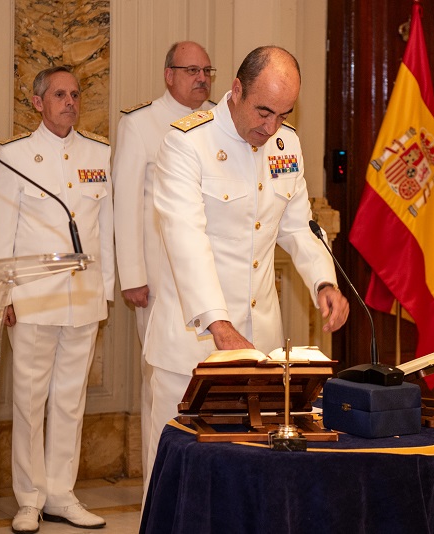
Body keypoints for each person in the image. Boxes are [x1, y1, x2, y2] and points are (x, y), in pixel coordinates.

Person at [145, 46, 350, 487]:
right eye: (263, 111)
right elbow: (185, 239)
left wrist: (323, 281)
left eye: (283, 114)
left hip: (260, 347)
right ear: (236, 90)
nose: (271, 127)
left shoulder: (286, 144)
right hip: (193, 346)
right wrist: (220, 325)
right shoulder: (187, 143)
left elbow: (298, 226)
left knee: (249, 479)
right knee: (178, 481)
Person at [0, 66, 114, 533]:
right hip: (33, 299)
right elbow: (1, 232)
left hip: (83, 297)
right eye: (60, 95)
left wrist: (105, 289)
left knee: (69, 401)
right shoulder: (14, 155)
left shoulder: (98, 153)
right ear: (38, 102)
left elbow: (106, 228)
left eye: (75, 94)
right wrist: (2, 294)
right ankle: (29, 498)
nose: (70, 103)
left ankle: (61, 493)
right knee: (28, 401)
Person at [111, 41, 215, 477]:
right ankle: (158, 486)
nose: (202, 78)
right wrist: (133, 274)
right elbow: (126, 204)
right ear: (169, 75)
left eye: (207, 71)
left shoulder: (220, 121)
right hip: (158, 279)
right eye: (192, 70)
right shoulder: (140, 124)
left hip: (210, 282)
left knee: (211, 386)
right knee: (161, 384)